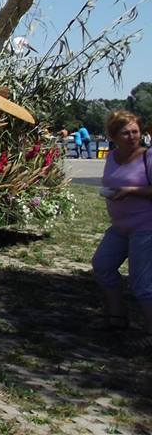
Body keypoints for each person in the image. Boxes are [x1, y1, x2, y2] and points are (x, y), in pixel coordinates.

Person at [92, 111, 152, 341]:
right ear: (114, 136)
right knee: (102, 265)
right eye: (126, 133)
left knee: (142, 283)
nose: (132, 137)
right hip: (120, 226)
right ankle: (117, 317)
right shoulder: (111, 157)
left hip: (145, 227)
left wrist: (131, 191)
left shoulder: (148, 157)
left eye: (135, 131)